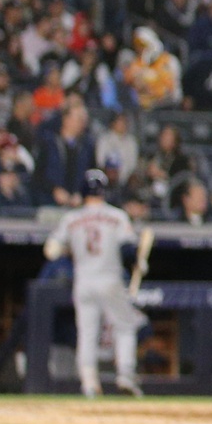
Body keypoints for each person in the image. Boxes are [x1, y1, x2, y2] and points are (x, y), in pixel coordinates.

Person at [44, 169, 146, 398]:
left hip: (84, 280)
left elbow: (51, 250)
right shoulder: (117, 216)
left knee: (87, 333)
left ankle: (89, 383)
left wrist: (68, 249)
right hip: (109, 278)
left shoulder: (72, 219)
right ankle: (125, 374)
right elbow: (128, 251)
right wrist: (137, 263)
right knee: (125, 326)